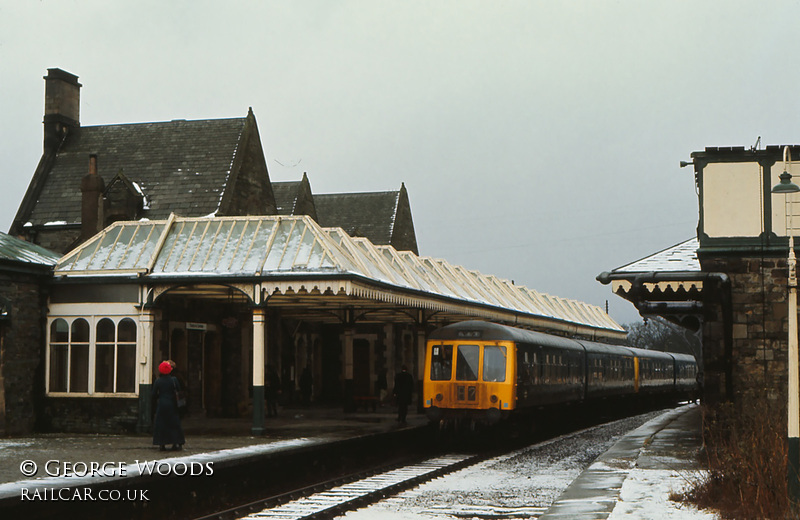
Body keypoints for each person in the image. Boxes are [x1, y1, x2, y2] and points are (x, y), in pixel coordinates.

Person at [152, 360, 185, 451]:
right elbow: (178, 389)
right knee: (174, 424)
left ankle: (161, 444)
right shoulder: (174, 380)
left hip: (162, 404)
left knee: (161, 424)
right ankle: (176, 442)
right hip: (172, 404)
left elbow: (154, 394)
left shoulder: (158, 381)